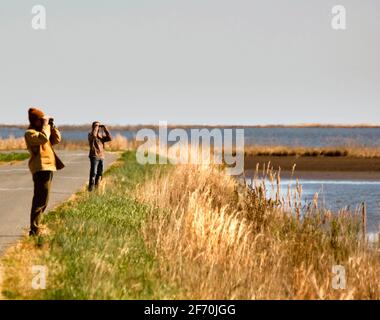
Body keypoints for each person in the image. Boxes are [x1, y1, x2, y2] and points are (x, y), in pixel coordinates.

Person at [24, 108, 65, 236]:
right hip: (40, 167)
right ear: (35, 121)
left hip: (48, 167)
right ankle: (34, 229)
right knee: (40, 199)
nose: (43, 122)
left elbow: (57, 139)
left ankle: (36, 226)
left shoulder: (43, 131)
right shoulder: (30, 133)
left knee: (44, 199)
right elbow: (43, 139)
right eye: (40, 120)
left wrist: (52, 126)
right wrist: (46, 125)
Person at [88, 121, 112, 191]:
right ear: (93, 127)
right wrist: (96, 127)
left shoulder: (101, 136)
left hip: (101, 157)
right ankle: (91, 189)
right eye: (96, 125)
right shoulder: (90, 134)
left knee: (100, 173)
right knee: (93, 173)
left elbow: (110, 138)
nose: (98, 127)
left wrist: (105, 128)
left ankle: (97, 188)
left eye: (98, 126)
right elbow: (94, 135)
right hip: (94, 156)